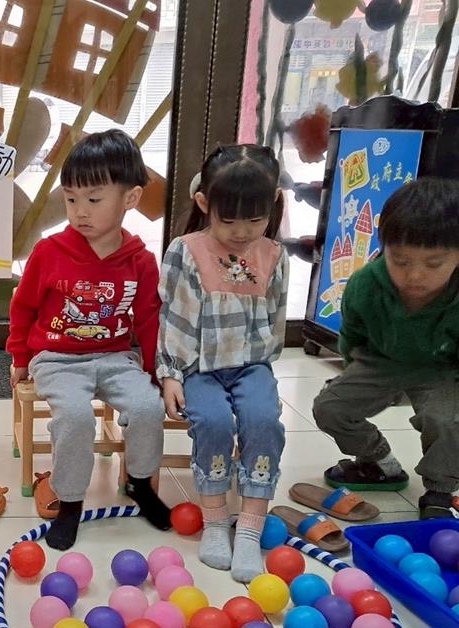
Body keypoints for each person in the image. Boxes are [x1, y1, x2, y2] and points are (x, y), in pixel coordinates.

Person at [8, 129, 169, 551]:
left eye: (94, 200)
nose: (80, 211)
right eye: (71, 199)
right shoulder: (49, 252)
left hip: (115, 357)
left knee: (147, 407)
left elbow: (148, 318)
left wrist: (154, 372)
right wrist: (20, 356)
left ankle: (140, 484)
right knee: (76, 417)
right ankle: (70, 503)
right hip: (56, 357)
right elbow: (23, 307)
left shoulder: (140, 260)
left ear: (130, 198)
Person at [157, 144, 288, 582]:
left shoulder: (274, 255)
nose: (241, 232)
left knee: (263, 421)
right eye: (228, 220)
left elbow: (275, 318)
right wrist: (171, 374)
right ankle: (215, 522)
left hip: (252, 366)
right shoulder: (186, 250)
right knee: (213, 422)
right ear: (203, 203)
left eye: (255, 219)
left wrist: (265, 376)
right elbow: (175, 317)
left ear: (272, 204)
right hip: (199, 368)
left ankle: (249, 528)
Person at [313, 177, 459, 519]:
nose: (415, 276)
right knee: (330, 407)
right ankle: (379, 461)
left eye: (433, 264)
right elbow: (352, 337)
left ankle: (440, 488)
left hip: (441, 367)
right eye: (401, 261)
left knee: (448, 419)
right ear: (383, 247)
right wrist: (355, 373)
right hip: (380, 361)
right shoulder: (365, 285)